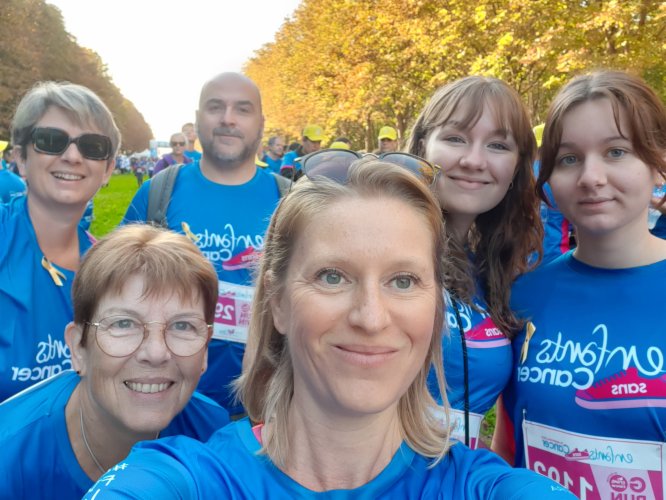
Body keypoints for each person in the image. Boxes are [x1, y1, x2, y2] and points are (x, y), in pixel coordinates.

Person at [83, 158, 574, 499]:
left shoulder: (483, 488)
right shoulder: (186, 480)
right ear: (277, 301)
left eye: (403, 281)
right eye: (332, 277)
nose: (371, 317)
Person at [493, 71, 666, 498]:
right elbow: (508, 446)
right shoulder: (523, 296)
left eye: (616, 151)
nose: (591, 177)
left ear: (658, 164)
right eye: (569, 158)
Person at [0, 225, 230, 497]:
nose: (156, 353)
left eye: (182, 326)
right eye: (123, 323)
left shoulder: (212, 435)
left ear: (205, 348)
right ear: (78, 347)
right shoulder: (9, 458)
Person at [122, 72, 284, 415]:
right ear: (197, 121)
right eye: (215, 107)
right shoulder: (158, 193)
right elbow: (116, 290)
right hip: (165, 402)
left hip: (264, 410)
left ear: (260, 123)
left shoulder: (288, 200)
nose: (228, 118)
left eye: (242, 109)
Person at [406, 76, 542, 448]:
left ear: (517, 169)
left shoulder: (491, 270)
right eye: (455, 138)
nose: (473, 161)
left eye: (498, 145)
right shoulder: (382, 243)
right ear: (422, 146)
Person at [0, 81, 118, 402]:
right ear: (21, 158)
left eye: (92, 146)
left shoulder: (111, 270)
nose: (72, 156)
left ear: (108, 169)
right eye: (51, 141)